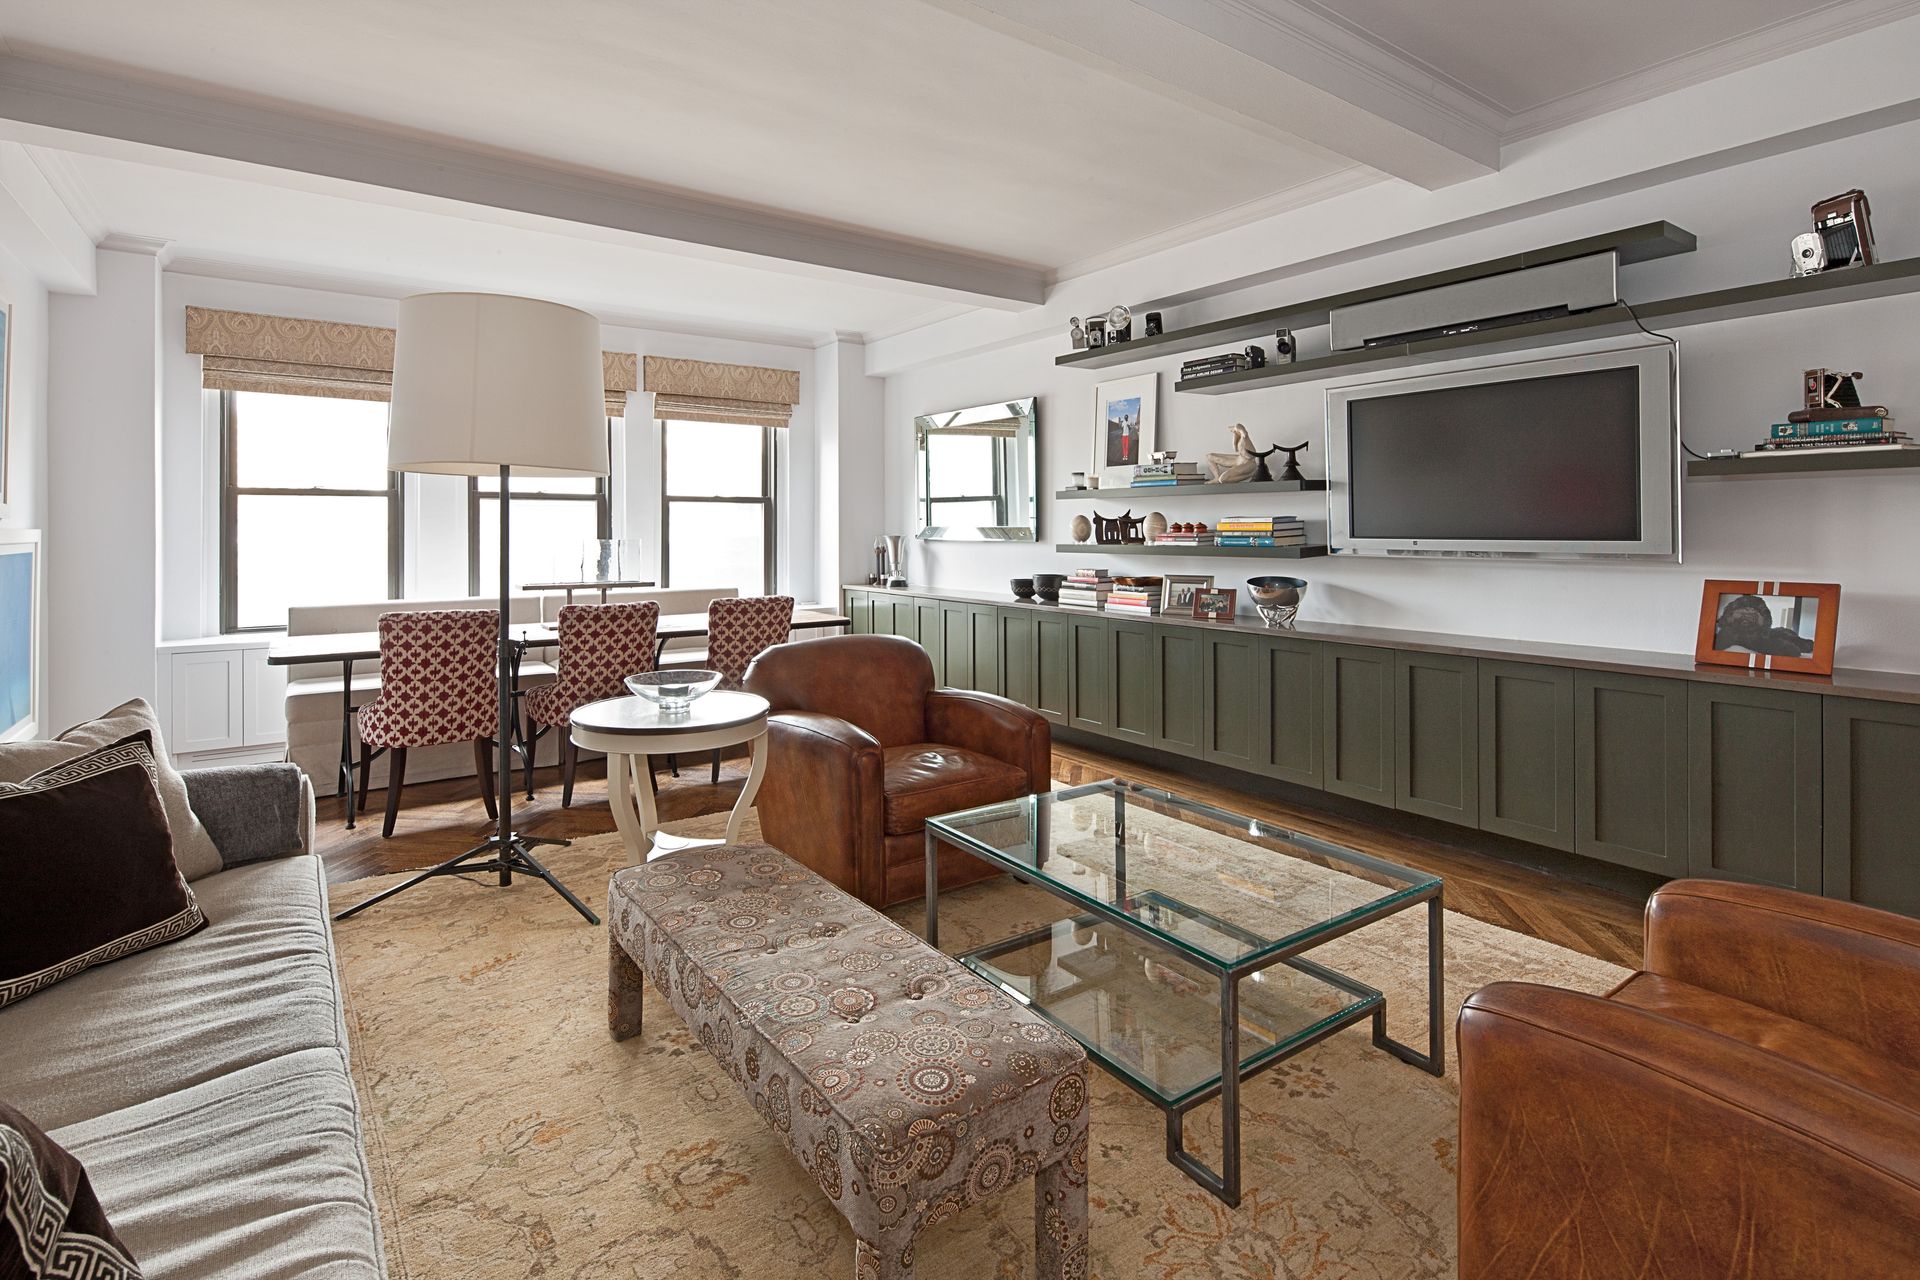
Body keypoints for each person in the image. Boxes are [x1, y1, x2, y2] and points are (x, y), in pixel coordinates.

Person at [1714, 593, 1813, 656]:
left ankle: (1800, 642)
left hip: (1768, 632)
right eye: (1745, 610)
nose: (1749, 612)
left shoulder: (1768, 630)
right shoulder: (1727, 633)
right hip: (1761, 635)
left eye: (1752, 611)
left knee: (1783, 632)